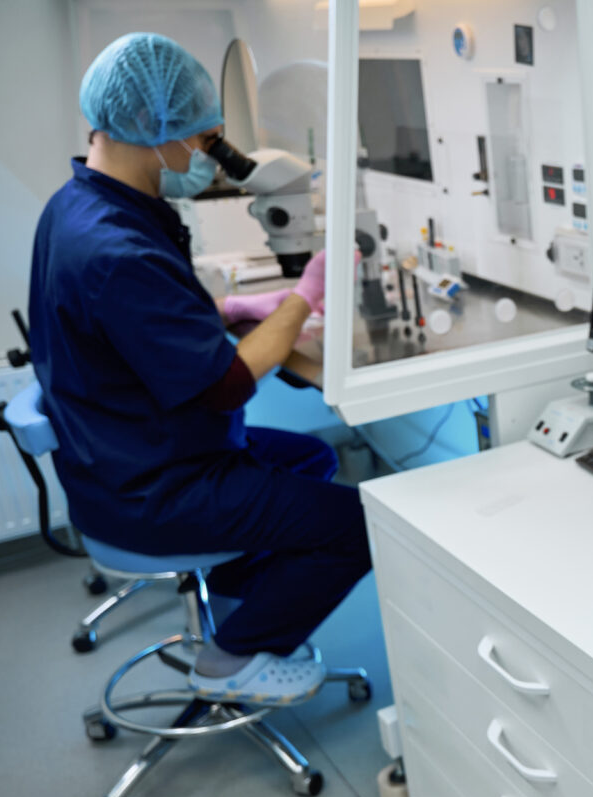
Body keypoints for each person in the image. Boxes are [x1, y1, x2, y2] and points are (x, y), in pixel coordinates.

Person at [27, 32, 369, 703]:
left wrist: (244, 304)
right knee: (356, 524)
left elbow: (134, 322)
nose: (200, 150)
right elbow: (226, 385)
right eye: (198, 135)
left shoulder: (79, 205)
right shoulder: (116, 248)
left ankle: (253, 600)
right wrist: (304, 298)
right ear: (153, 128)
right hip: (157, 486)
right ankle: (235, 655)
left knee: (306, 461)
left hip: (117, 457)